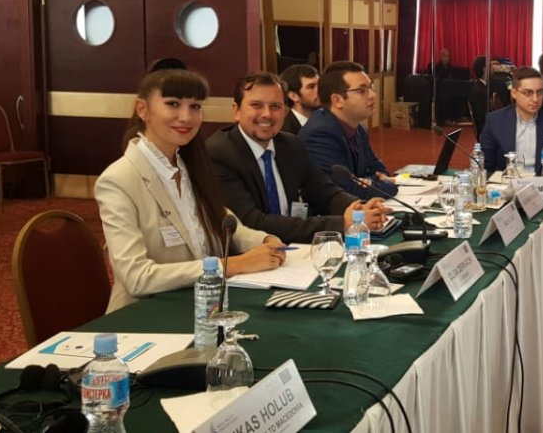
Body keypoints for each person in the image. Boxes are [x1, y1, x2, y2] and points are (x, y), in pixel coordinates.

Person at [96, 68, 286, 313]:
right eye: (173, 104)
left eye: (195, 106)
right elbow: (137, 278)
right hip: (148, 314)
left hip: (204, 304)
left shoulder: (189, 166)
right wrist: (231, 265)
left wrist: (264, 240)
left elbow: (227, 225)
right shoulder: (118, 180)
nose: (186, 117)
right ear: (142, 109)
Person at [206, 72, 390, 244]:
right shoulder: (220, 154)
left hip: (296, 250)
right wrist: (342, 223)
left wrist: (359, 209)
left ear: (285, 111)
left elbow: (324, 192)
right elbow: (252, 222)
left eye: (275, 107)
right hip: (253, 254)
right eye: (256, 105)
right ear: (236, 110)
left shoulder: (290, 144)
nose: (267, 114)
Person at [300, 61, 398, 200]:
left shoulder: (359, 128)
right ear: (337, 100)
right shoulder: (319, 134)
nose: (373, 95)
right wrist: (389, 186)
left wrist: (370, 181)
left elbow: (380, 170)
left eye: (370, 87)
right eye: (361, 90)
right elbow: (346, 191)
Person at [480, 67, 543, 176]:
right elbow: (484, 167)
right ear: (514, 93)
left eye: (540, 92)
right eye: (528, 93)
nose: (535, 99)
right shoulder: (495, 121)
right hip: (508, 183)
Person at [278, 64, 320, 135]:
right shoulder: (284, 130)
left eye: (320, 84)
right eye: (311, 87)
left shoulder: (328, 120)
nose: (320, 90)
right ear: (294, 96)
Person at [470, 55, 491, 137]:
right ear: (484, 69)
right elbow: (483, 117)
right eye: (490, 66)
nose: (492, 69)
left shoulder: (482, 88)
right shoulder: (479, 91)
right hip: (486, 133)